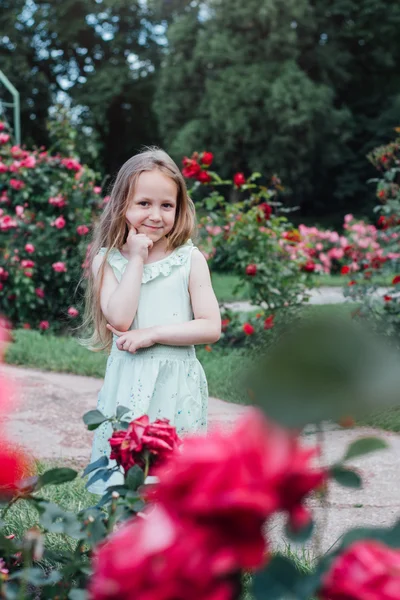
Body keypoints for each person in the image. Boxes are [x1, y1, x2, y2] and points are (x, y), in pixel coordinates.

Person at [83, 147, 221, 494]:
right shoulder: (107, 260)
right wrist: (136, 258)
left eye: (166, 205)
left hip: (176, 384)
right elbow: (120, 317)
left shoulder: (189, 259)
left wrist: (154, 334)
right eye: (144, 204)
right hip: (129, 384)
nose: (155, 215)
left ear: (179, 207)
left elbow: (210, 326)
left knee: (172, 478)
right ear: (122, 206)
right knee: (124, 475)